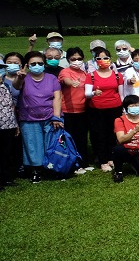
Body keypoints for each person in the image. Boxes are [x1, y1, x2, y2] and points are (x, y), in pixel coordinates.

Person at [12, 51, 64, 183]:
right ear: (27, 65)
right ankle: (36, 170)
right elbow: (16, 87)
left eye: (40, 63)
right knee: (33, 145)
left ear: (44, 64)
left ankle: (52, 168)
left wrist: (56, 117)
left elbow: (57, 97)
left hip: (50, 117)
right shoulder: (23, 78)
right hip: (29, 118)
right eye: (33, 63)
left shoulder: (51, 78)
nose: (37, 65)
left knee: (51, 143)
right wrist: (20, 78)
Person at [85, 49, 122, 173]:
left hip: (115, 107)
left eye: (105, 58)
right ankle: (103, 160)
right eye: (99, 58)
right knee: (99, 134)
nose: (103, 61)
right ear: (95, 61)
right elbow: (87, 94)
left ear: (110, 59)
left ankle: (111, 157)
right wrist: (94, 93)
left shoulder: (117, 75)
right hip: (97, 109)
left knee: (112, 133)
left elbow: (121, 94)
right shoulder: (91, 76)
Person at [57, 47, 90, 166]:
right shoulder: (65, 71)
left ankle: (83, 162)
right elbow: (65, 80)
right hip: (68, 111)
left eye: (79, 58)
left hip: (83, 110)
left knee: (82, 137)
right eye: (73, 59)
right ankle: (71, 162)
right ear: (68, 59)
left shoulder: (84, 73)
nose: (77, 61)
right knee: (69, 138)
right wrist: (72, 83)